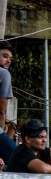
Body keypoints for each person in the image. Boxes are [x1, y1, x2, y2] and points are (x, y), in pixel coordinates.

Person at [0, 40, 15, 169]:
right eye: (4, 56)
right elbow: (1, 109)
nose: (8, 60)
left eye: (10, 58)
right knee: (19, 159)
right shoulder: (4, 73)